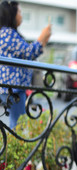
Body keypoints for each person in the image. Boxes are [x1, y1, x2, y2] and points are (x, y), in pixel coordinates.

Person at [0, 0, 51, 129]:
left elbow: (27, 54)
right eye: (20, 12)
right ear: (12, 14)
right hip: (13, 88)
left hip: (12, 87)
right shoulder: (7, 33)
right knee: (18, 124)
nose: (21, 15)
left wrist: (43, 39)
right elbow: (29, 52)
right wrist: (42, 37)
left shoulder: (7, 33)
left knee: (17, 122)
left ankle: (13, 148)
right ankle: (14, 149)